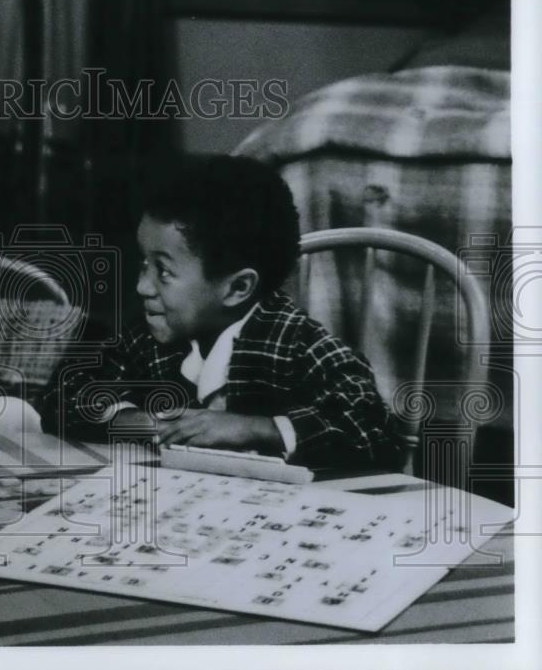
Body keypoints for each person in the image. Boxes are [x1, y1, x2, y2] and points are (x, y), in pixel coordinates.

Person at [37, 156, 400, 469]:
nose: (142, 287)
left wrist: (255, 428)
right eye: (142, 265)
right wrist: (135, 421)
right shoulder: (146, 337)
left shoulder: (300, 346)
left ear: (237, 288)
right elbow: (63, 395)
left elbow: (373, 431)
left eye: (162, 271)